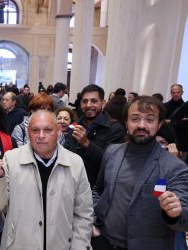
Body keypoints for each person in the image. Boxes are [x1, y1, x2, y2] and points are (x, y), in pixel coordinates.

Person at [0, 110, 93, 249]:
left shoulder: (75, 163)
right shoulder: (11, 159)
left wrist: (80, 246)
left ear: (59, 131)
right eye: (35, 130)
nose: (41, 136)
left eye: (48, 130)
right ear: (28, 132)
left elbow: (84, 213)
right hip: (19, 244)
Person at [92, 96, 188, 250]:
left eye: (150, 119)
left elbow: (185, 218)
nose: (142, 125)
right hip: (103, 242)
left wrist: (175, 212)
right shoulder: (112, 152)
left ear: (159, 124)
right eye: (135, 119)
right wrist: (93, 221)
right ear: (126, 122)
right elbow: (98, 190)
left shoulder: (174, 167)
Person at [65, 84, 125, 186]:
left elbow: (110, 162)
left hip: (97, 189)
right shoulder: (73, 126)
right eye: (85, 101)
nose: (88, 105)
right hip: (71, 183)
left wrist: (86, 143)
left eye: (94, 101)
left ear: (103, 103)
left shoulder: (115, 129)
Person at [164, 84, 188, 162]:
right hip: (167, 141)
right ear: (171, 93)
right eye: (173, 92)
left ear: (182, 93)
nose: (175, 94)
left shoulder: (186, 107)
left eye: (178, 92)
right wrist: (180, 122)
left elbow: (185, 124)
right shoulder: (165, 106)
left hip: (182, 142)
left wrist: (170, 121)